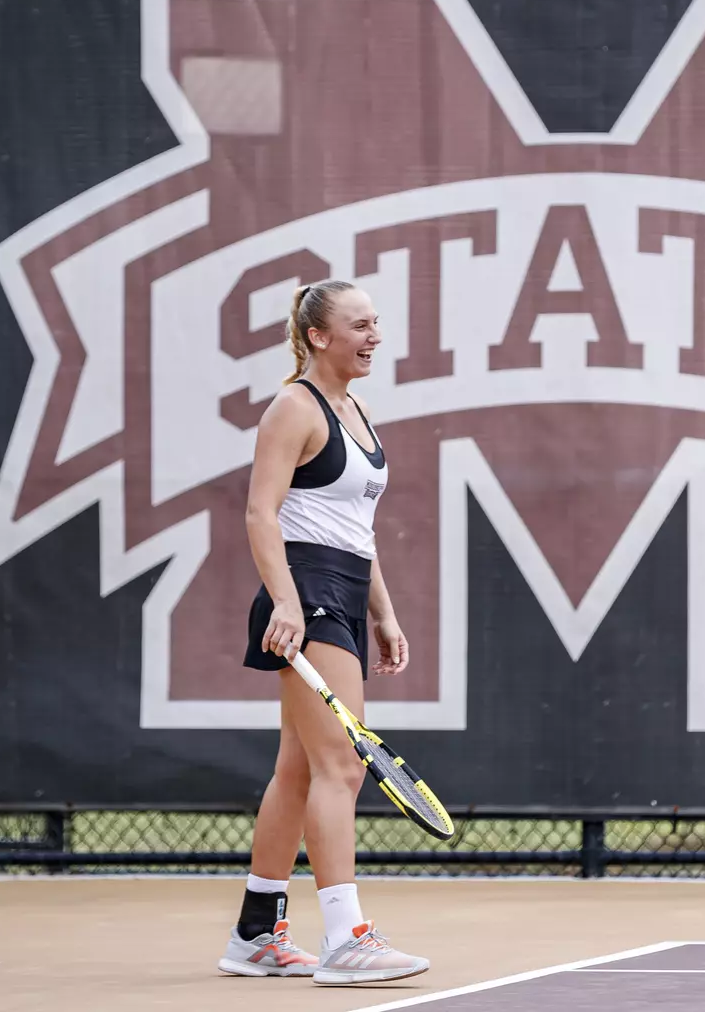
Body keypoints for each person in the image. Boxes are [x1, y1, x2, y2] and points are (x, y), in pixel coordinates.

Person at [215, 277, 428, 986]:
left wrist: (384, 611)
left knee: (300, 767)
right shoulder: (291, 409)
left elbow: (355, 531)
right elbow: (259, 514)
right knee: (344, 764)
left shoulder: (358, 410)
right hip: (305, 596)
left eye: (377, 323)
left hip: (342, 588)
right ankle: (346, 939)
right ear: (318, 336)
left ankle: (256, 932)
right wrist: (283, 601)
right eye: (360, 325)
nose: (374, 336)